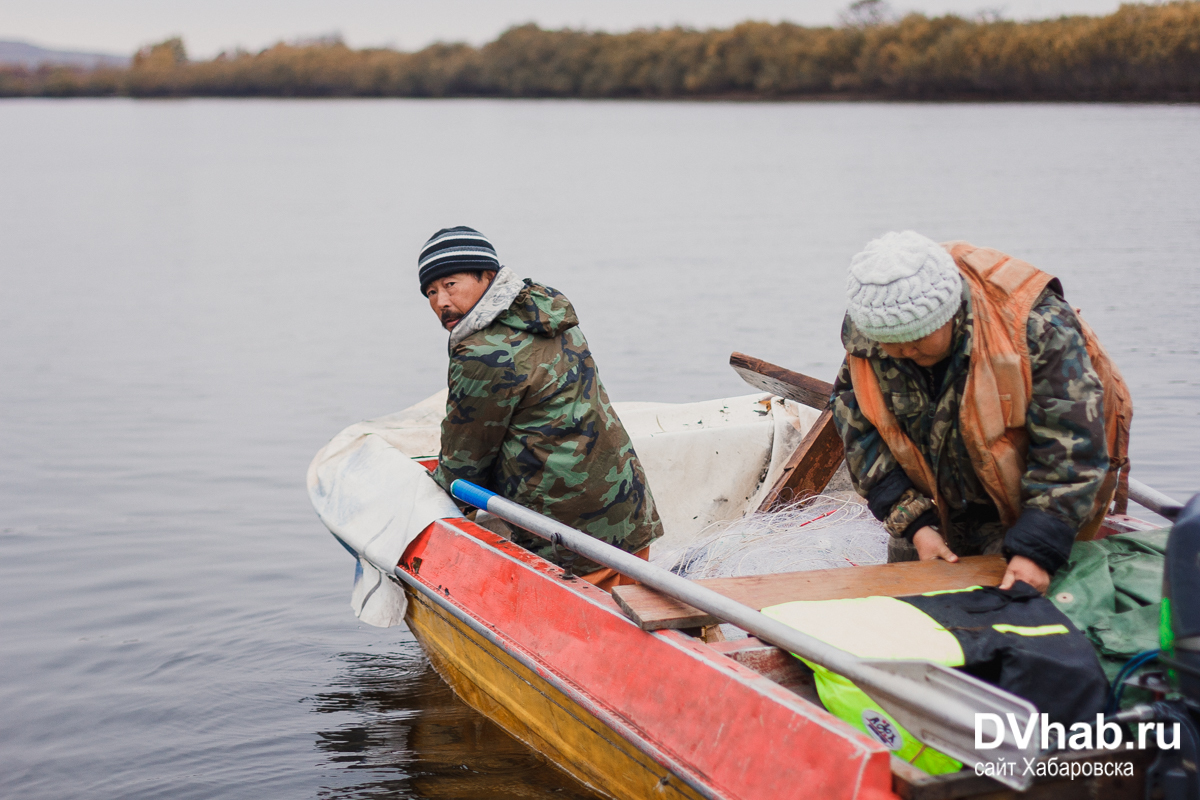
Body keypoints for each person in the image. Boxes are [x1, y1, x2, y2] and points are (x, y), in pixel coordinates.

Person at [831, 231, 1131, 594]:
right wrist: (914, 524)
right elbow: (859, 429)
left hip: (1035, 502)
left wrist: (1037, 547)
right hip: (934, 501)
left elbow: (1073, 446)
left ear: (951, 313)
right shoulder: (869, 333)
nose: (902, 352)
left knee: (1032, 613)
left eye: (916, 339)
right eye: (889, 343)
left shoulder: (1035, 326)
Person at [418, 225, 663, 589]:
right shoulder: (547, 313)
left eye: (450, 284)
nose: (441, 302)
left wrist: (431, 499)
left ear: (487, 276)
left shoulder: (482, 352)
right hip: (627, 509)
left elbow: (464, 463)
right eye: (431, 292)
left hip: (569, 537)